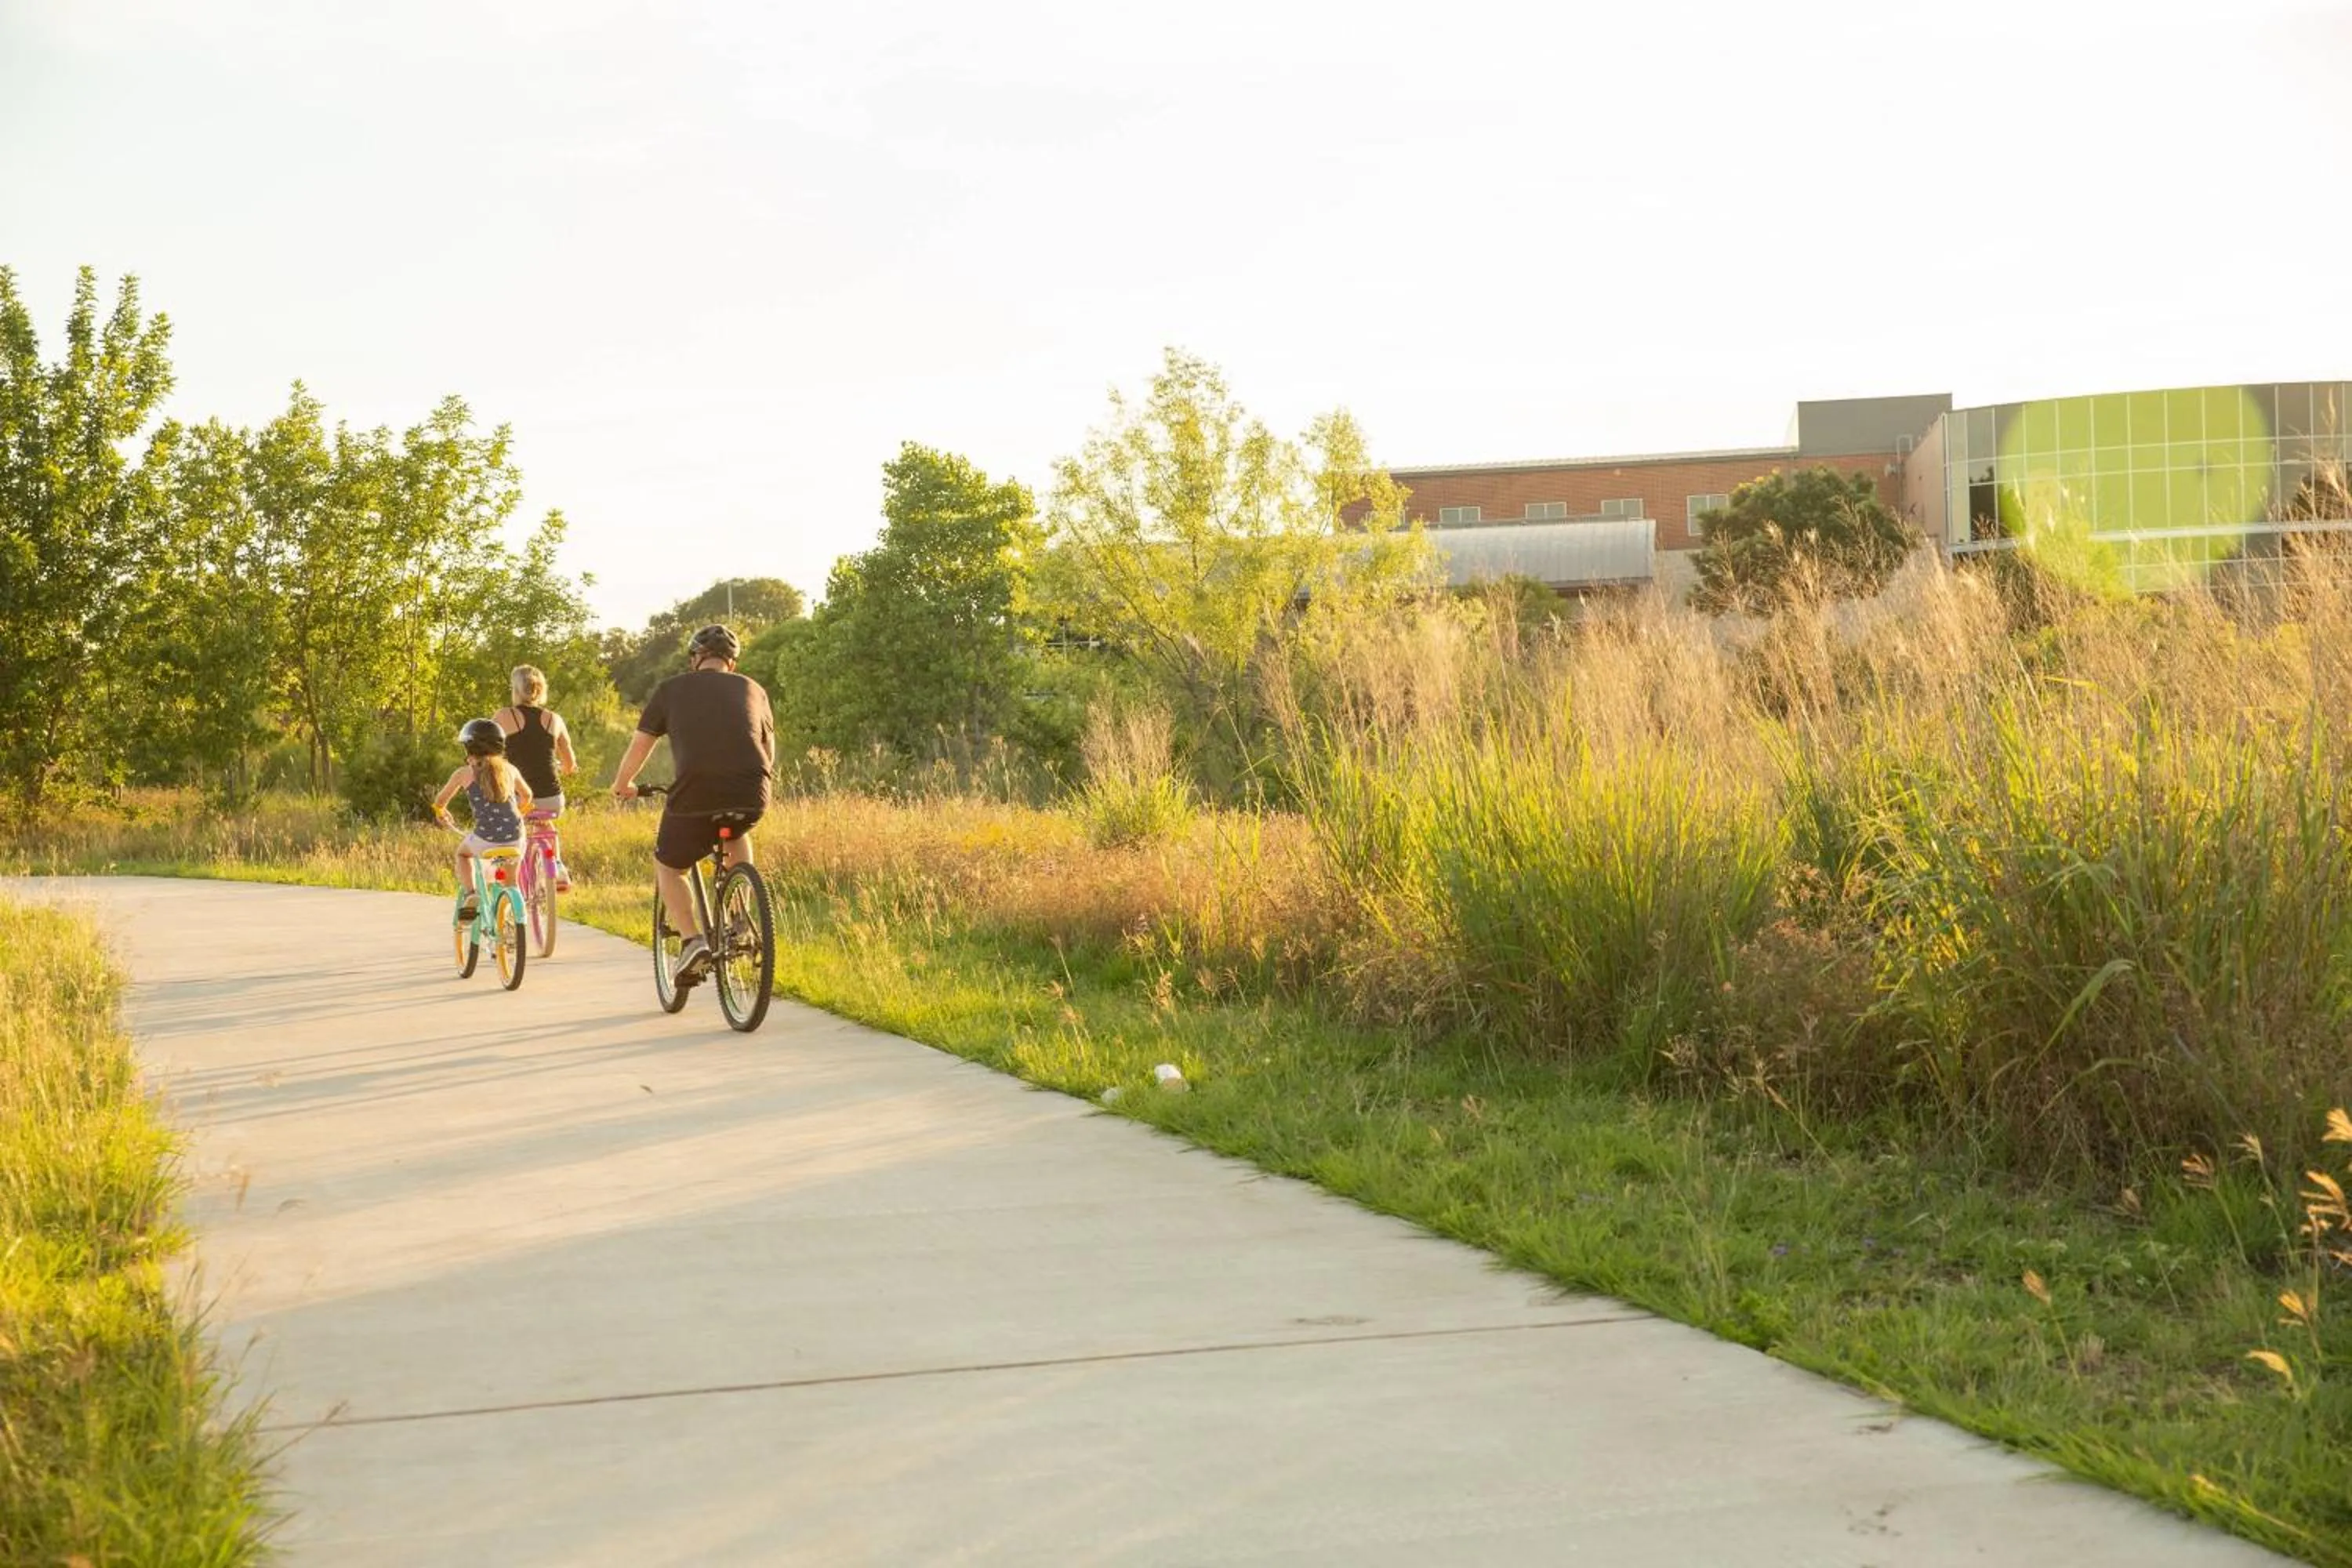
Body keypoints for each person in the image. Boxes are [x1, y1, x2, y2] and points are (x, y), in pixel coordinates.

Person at [610, 624, 775, 982]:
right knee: (736, 831)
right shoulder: (753, 688)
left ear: (695, 659)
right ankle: (740, 919)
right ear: (731, 663)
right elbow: (768, 750)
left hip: (696, 793)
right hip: (753, 791)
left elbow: (641, 745)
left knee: (669, 866)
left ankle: (692, 941)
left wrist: (624, 784)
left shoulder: (671, 690)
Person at [433, 719, 535, 920]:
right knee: (510, 883)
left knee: (462, 855)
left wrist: (441, 812)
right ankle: (511, 924)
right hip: (515, 837)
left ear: (469, 749)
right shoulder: (510, 770)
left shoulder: (463, 774)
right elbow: (528, 796)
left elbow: (440, 801)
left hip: (484, 840)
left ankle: (472, 894)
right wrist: (518, 813)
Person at [495, 664, 579, 891]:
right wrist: (562, 768)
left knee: (508, 830)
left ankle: (508, 882)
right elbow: (571, 764)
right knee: (545, 823)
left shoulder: (504, 716)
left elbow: (489, 753)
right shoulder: (555, 719)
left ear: (515, 689)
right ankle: (558, 867)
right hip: (552, 799)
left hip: (519, 799)